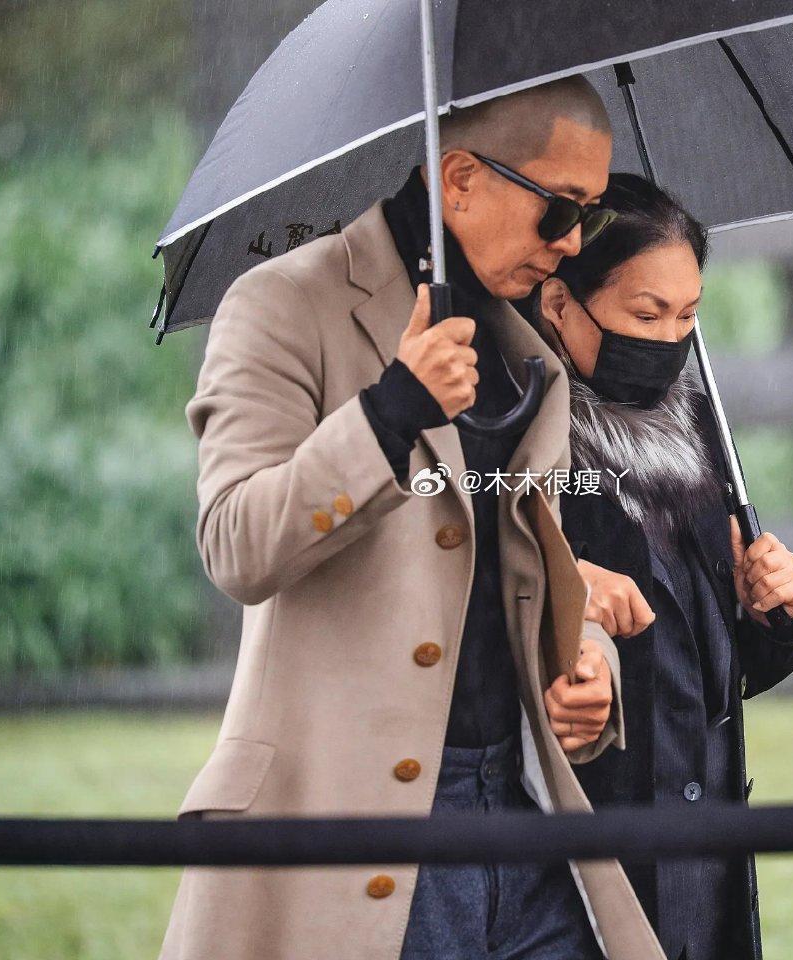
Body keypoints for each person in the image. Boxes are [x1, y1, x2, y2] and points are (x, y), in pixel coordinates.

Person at [158, 82, 670, 960]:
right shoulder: (283, 303)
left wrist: (589, 666)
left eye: (588, 216)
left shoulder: (527, 355)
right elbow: (236, 545)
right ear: (459, 178)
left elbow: (531, 569)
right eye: (559, 209)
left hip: (529, 813)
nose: (571, 243)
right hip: (351, 826)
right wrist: (389, 411)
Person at [528, 172, 793, 960]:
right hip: (590, 854)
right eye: (645, 314)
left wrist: (769, 613)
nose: (668, 339)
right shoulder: (518, 449)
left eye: (687, 315)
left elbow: (717, 672)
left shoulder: (694, 427)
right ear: (558, 303)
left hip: (708, 853)